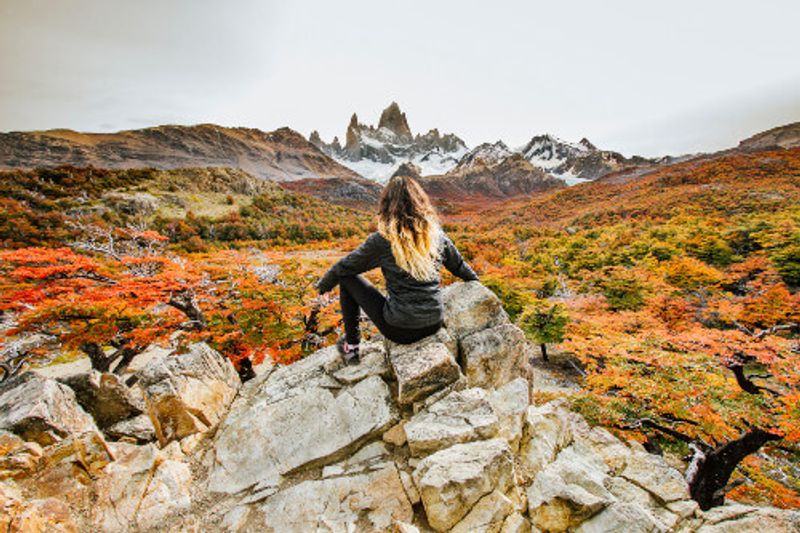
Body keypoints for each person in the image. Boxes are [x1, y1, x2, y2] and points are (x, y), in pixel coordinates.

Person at [315, 174, 478, 365]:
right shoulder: (436, 236)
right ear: (420, 203)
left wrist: (322, 287)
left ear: (387, 205)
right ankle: (352, 347)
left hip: (400, 330)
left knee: (347, 279)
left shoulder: (383, 240)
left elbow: (345, 267)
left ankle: (351, 348)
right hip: (433, 322)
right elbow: (459, 266)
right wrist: (476, 284)